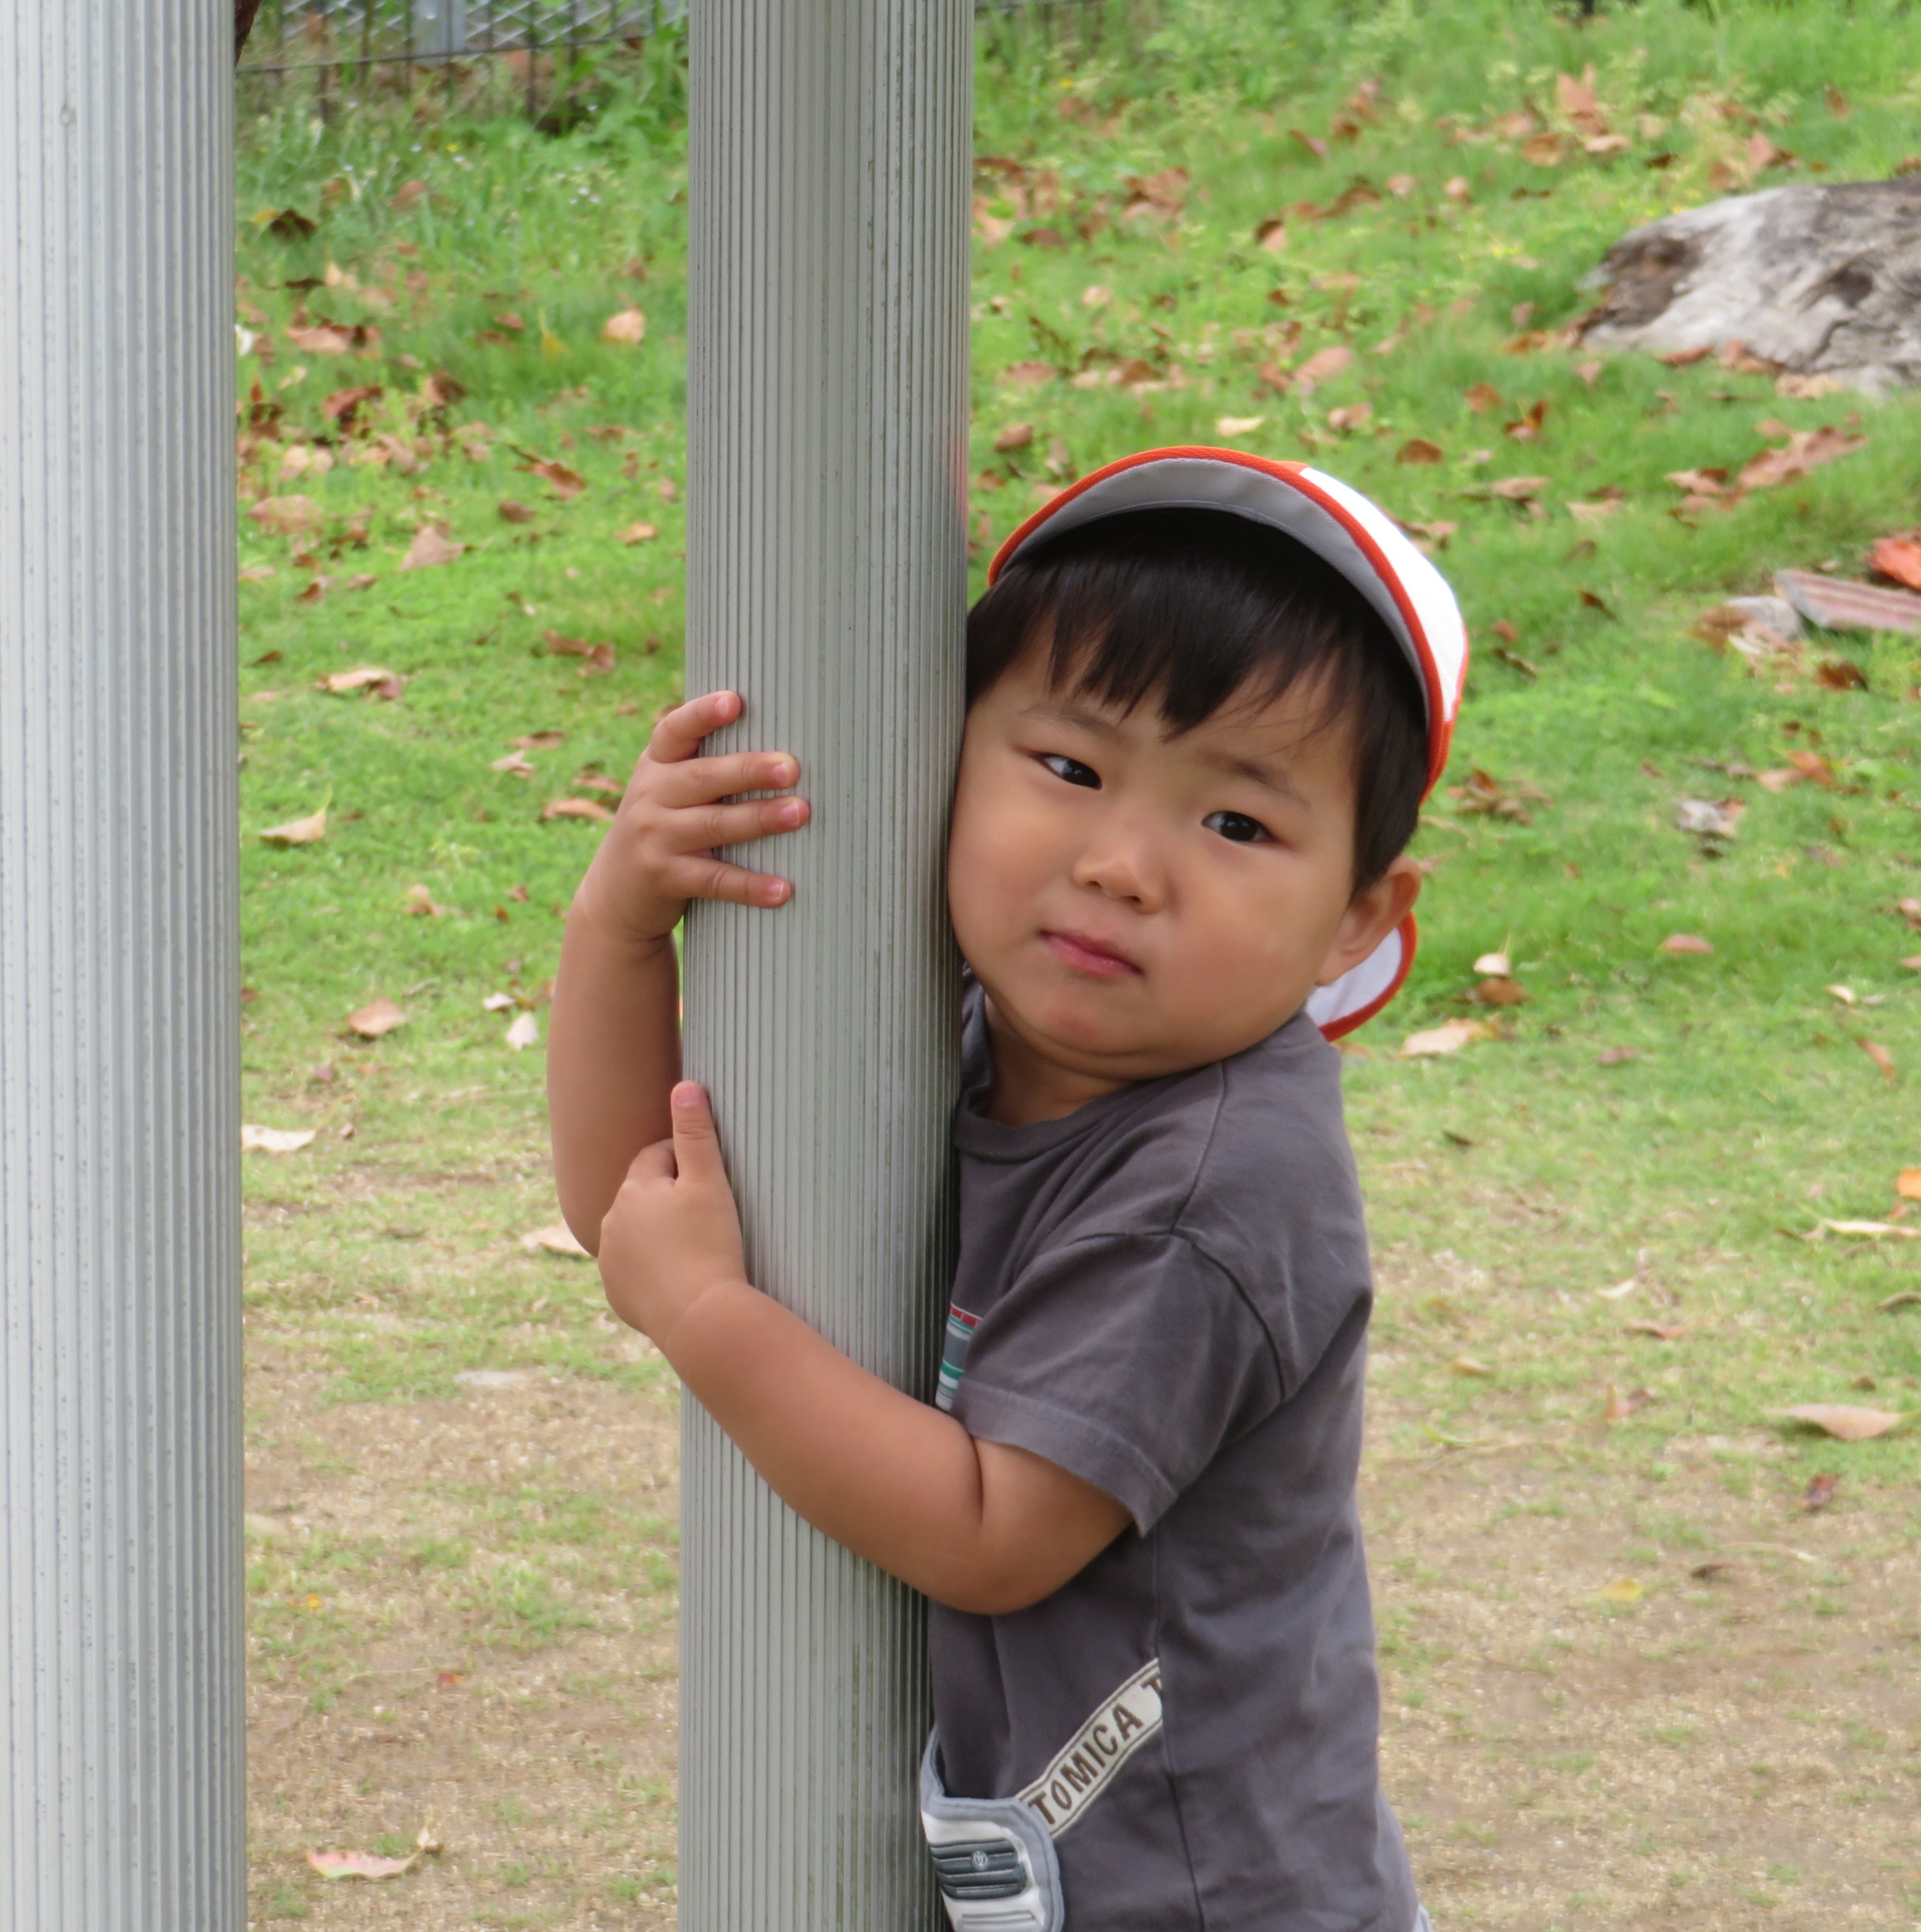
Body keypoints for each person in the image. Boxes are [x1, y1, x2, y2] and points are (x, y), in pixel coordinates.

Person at [545, 449, 1466, 1932]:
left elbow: (990, 1527)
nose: (1122, 865)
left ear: (1359, 914)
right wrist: (622, 924)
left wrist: (709, 1314)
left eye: (1235, 824)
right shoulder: (950, 1029)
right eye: (1072, 769)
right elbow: (635, 1203)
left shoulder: (1218, 1185)